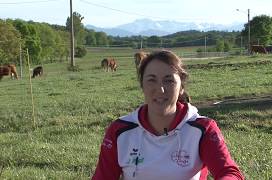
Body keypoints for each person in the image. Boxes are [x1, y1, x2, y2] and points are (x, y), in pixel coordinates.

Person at [92, 50, 244, 180]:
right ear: (142, 85)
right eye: (151, 80)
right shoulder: (120, 130)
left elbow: (229, 172)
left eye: (169, 80)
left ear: (181, 87)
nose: (160, 89)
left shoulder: (203, 128)